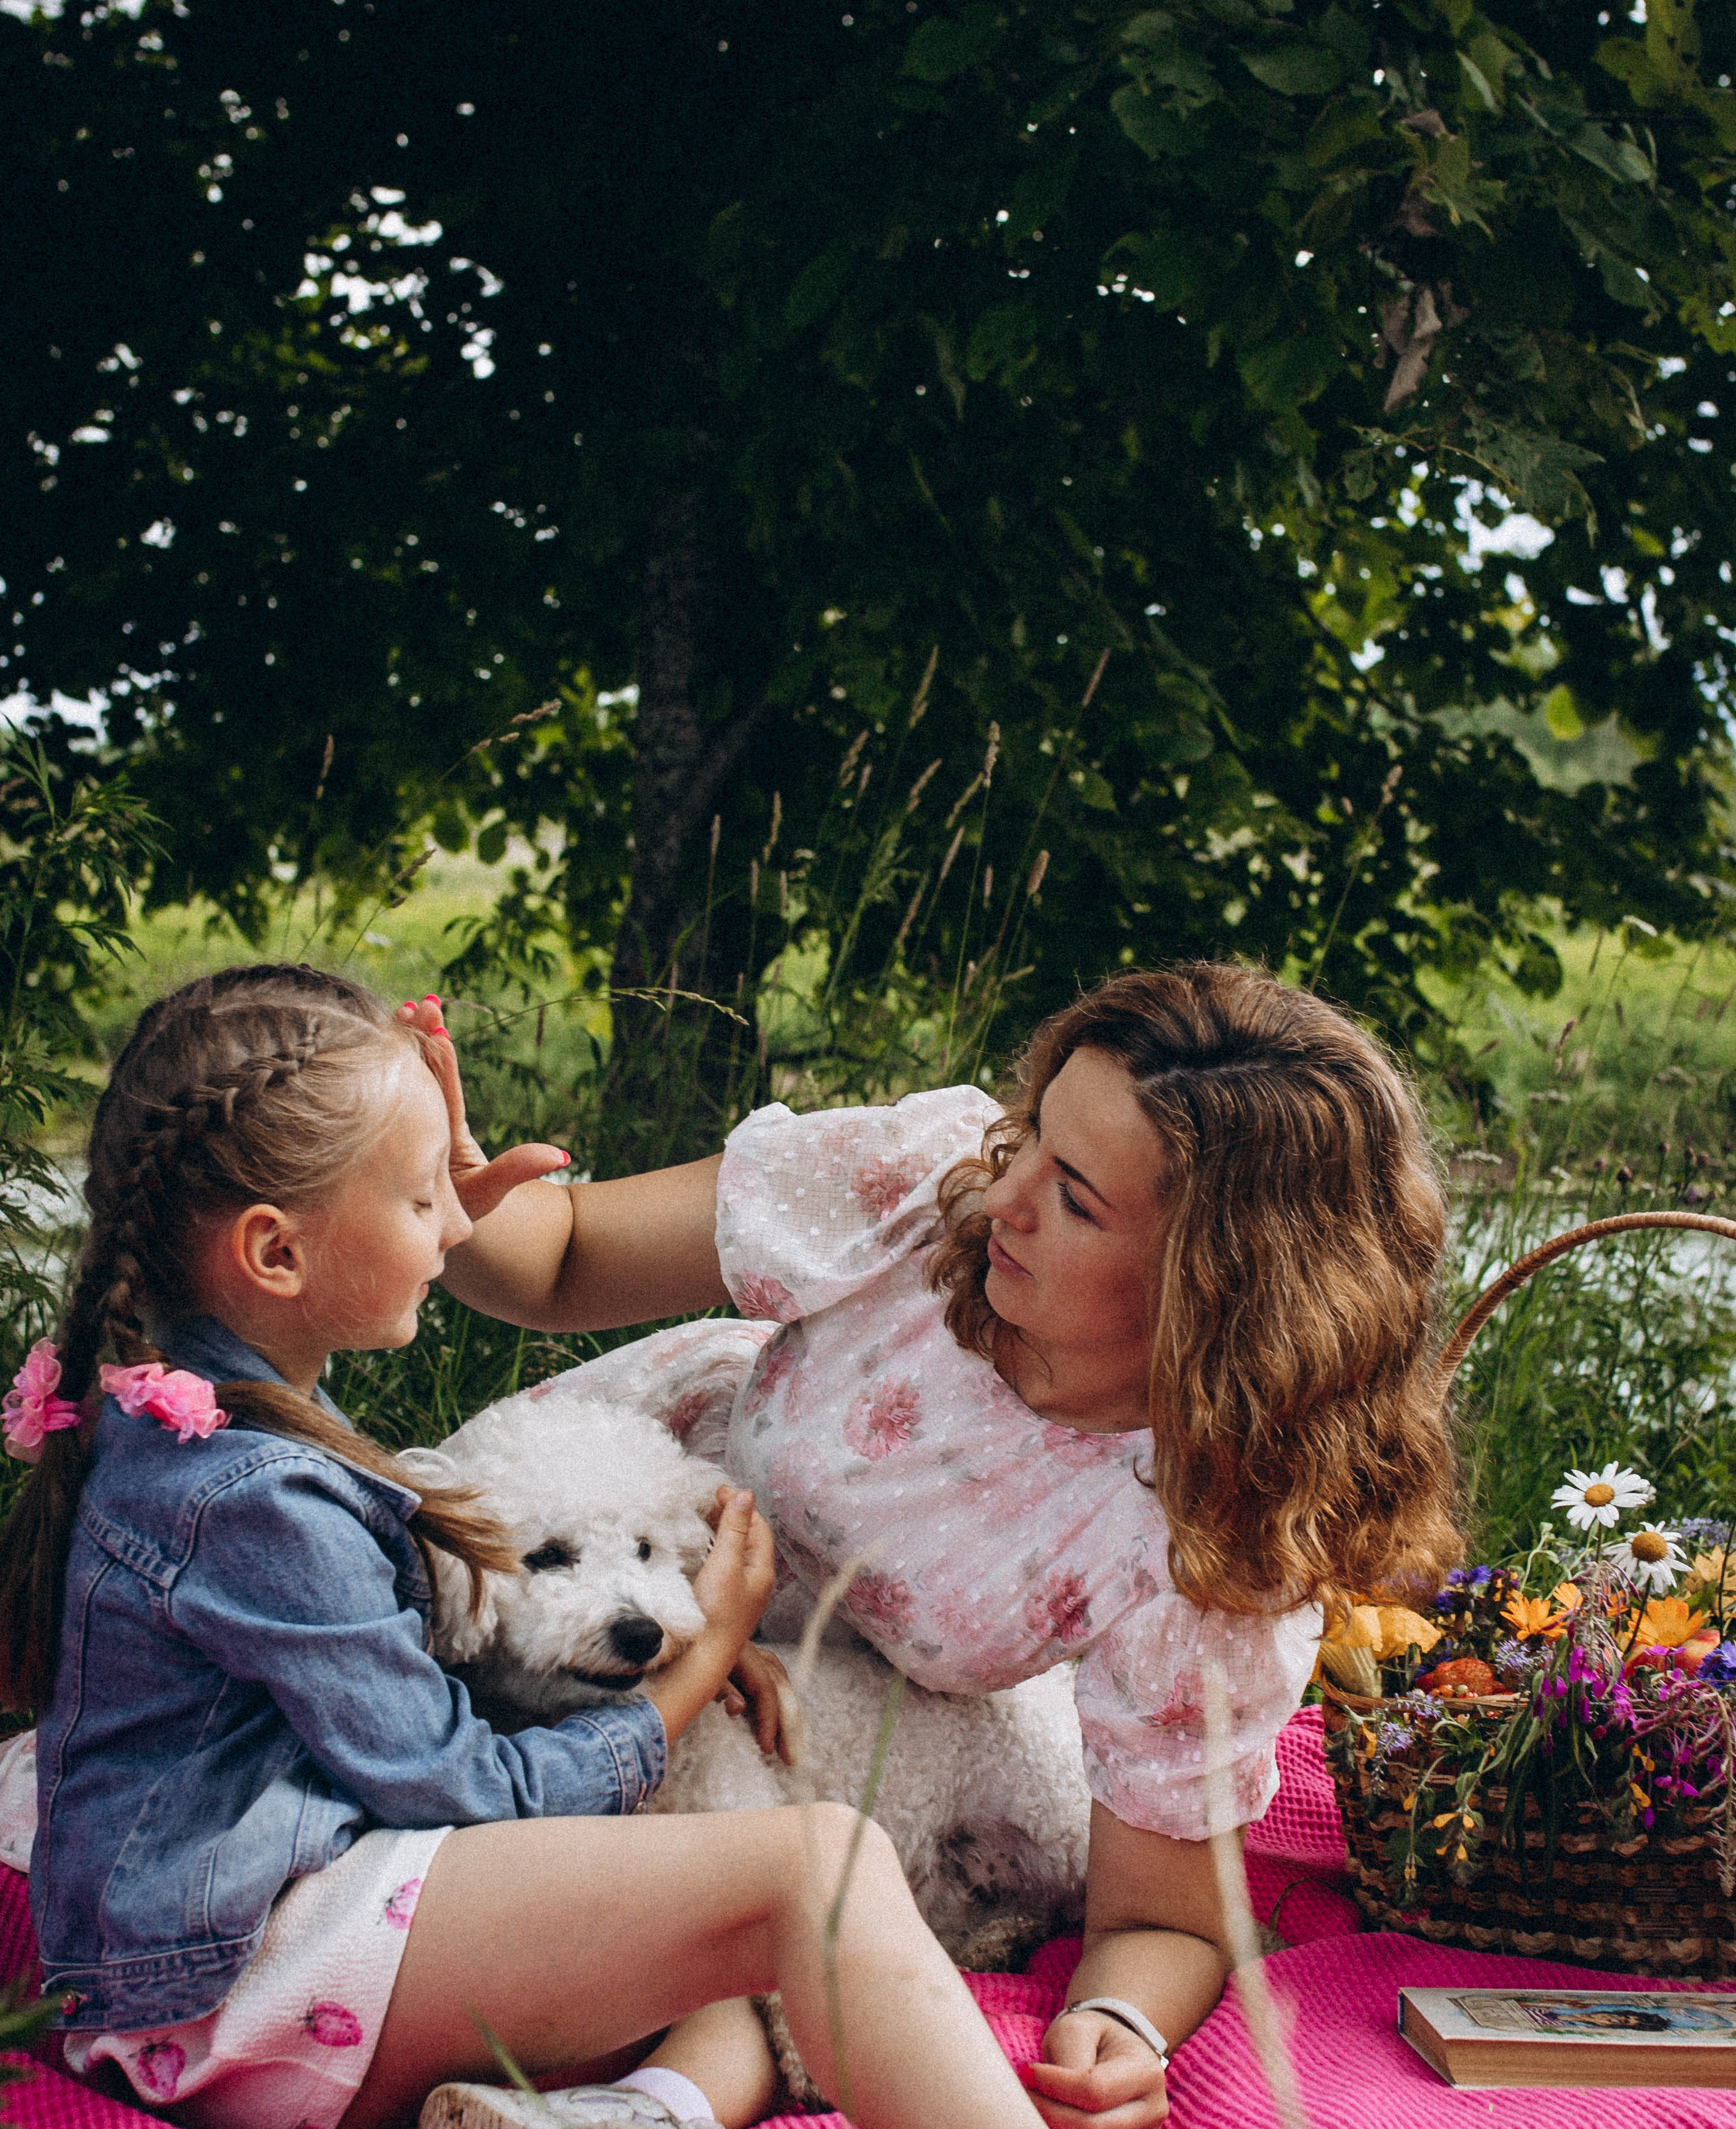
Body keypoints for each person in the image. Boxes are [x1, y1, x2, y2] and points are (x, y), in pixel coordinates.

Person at [0, 965, 1048, 2129]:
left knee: (725, 1952)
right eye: (420, 1201)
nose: (459, 1226)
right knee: (812, 1865)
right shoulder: (256, 1498)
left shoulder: (188, 1419)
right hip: (244, 1987)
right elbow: (464, 1789)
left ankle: (636, 2113)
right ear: (276, 1254)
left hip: (232, 1964)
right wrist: (698, 1665)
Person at [437, 962, 1465, 2129]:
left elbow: (1160, 1918)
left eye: (1076, 1198)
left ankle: (644, 2106)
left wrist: (1119, 2026)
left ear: (1216, 1288)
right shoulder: (925, 1184)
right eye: (1036, 1135)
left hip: (779, 1731)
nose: (1002, 1195)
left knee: (728, 1924)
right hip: (571, 1562)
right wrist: (447, 1194)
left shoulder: (1203, 1537)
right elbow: (564, 1252)